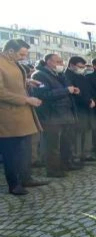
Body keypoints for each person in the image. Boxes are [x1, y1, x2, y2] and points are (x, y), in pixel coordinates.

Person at [0, 40, 47, 195]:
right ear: (10, 51)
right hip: (8, 117)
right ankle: (14, 184)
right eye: (21, 54)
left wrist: (27, 81)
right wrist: (26, 99)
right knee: (11, 153)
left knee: (25, 150)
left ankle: (26, 178)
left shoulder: (13, 63)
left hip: (23, 115)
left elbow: (12, 81)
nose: (23, 57)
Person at [32, 54, 80, 177]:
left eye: (61, 61)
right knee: (52, 145)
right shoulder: (39, 75)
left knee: (66, 142)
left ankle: (66, 164)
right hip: (51, 116)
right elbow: (44, 94)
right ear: (48, 62)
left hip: (65, 114)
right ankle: (53, 170)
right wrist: (66, 91)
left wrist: (73, 90)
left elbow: (66, 88)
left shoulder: (59, 74)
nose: (61, 64)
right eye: (58, 61)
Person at [65, 56, 96, 164]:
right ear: (71, 65)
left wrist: (92, 99)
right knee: (77, 134)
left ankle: (87, 153)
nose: (82, 68)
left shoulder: (82, 76)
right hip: (77, 108)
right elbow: (75, 93)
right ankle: (76, 156)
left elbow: (89, 90)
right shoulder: (67, 76)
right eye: (80, 66)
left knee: (88, 131)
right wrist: (88, 101)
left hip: (88, 108)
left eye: (83, 67)